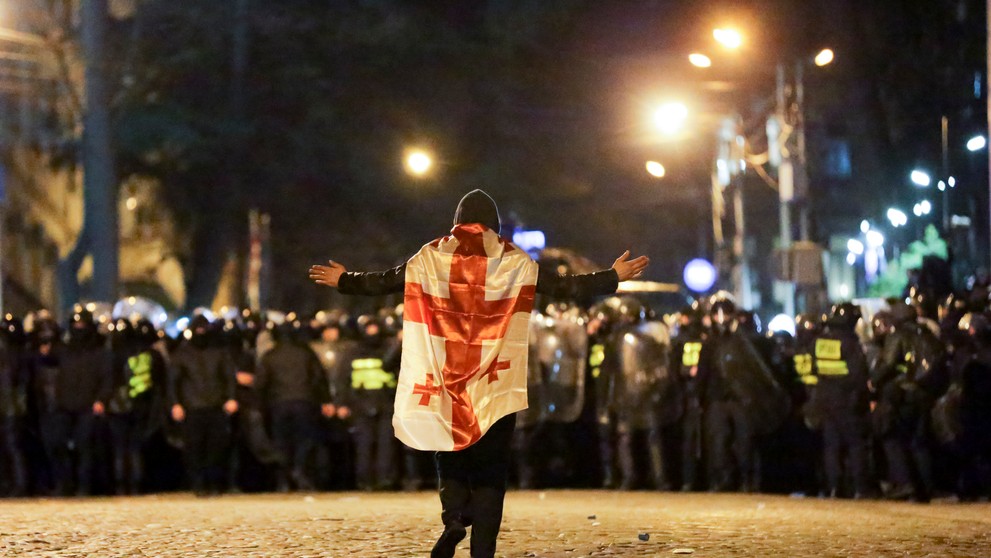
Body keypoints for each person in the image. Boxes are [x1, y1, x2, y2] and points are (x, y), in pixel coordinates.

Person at [309, 189, 648, 558]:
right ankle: (482, 551)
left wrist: (345, 279)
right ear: (496, 224)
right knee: (491, 468)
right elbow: (565, 287)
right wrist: (612, 277)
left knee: (447, 449)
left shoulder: (430, 255)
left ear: (456, 220)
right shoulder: (515, 260)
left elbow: (384, 282)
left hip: (444, 377)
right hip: (494, 380)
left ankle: (454, 516)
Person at [168, 315, 238, 496]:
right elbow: (173, 381)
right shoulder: (183, 353)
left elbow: (228, 376)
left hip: (214, 405)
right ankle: (199, 484)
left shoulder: (219, 352)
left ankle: (213, 483)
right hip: (193, 407)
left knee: (215, 448)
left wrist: (231, 398)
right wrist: (176, 403)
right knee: (194, 449)